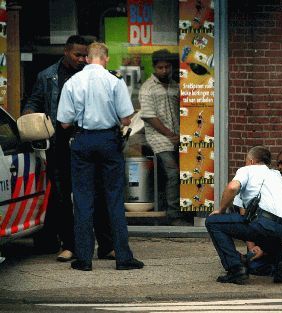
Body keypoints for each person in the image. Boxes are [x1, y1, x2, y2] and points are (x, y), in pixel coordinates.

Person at [22, 35, 114, 262]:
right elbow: (34, 101)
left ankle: (106, 245)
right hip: (60, 145)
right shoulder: (47, 76)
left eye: (85, 55)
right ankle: (69, 245)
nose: (82, 59)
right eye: (78, 55)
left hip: (91, 142)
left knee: (98, 195)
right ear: (66, 52)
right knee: (62, 198)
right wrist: (29, 116)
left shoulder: (95, 75)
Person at [57, 42, 143, 271]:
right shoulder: (114, 81)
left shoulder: (72, 83)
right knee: (114, 199)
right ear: (105, 59)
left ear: (87, 58)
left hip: (82, 141)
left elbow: (64, 122)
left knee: (83, 200)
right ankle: (123, 257)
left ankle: (84, 258)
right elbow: (126, 119)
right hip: (108, 141)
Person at [205, 146, 282, 285]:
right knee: (266, 231)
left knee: (213, 222)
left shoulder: (247, 170)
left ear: (251, 161)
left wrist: (221, 210)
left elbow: (232, 187)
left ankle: (236, 269)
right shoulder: (278, 175)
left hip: (264, 224)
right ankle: (280, 264)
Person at [139, 49, 187, 226]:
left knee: (186, 172)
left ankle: (185, 211)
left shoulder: (176, 86)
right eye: (161, 67)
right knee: (173, 173)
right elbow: (149, 117)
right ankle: (174, 216)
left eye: (167, 67)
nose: (165, 70)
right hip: (159, 138)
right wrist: (170, 135)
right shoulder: (147, 88)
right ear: (154, 67)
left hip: (178, 136)